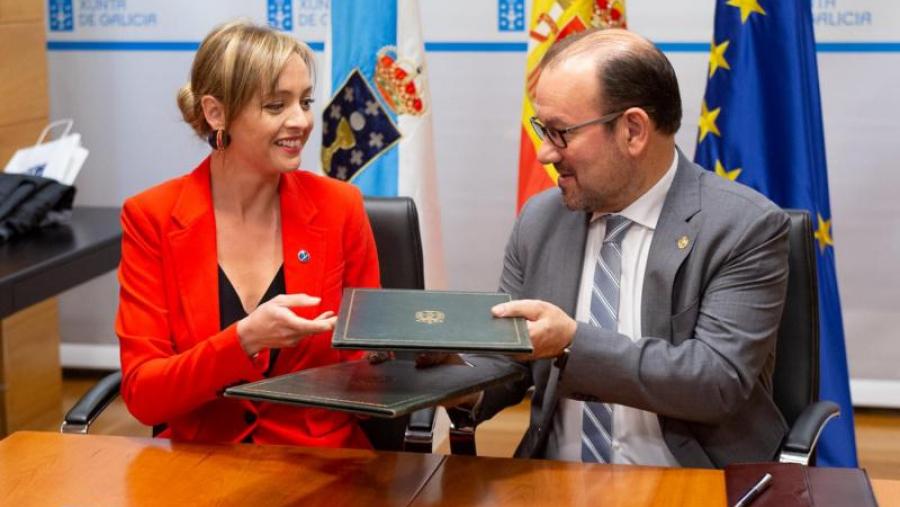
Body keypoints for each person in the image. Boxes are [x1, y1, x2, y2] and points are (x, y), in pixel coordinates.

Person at [448, 28, 790, 468]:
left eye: (560, 133)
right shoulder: (541, 219)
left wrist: (572, 344)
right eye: (542, 130)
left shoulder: (742, 227)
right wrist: (455, 374)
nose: (545, 155)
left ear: (632, 131)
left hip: (692, 482)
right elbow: (511, 362)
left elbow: (715, 381)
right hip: (553, 480)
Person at [115, 21, 379, 448]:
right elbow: (145, 396)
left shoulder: (341, 207)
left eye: (305, 101)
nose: (303, 121)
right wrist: (244, 340)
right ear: (216, 113)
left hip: (321, 468)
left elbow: (368, 365)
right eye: (276, 105)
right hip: (201, 465)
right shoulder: (152, 218)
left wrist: (413, 351)